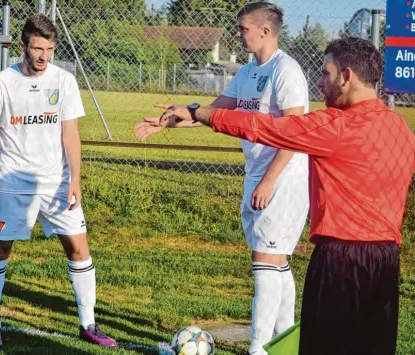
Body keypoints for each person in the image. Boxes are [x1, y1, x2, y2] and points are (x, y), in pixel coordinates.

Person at [153, 37, 415, 355]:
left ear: (346, 76)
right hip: (386, 263)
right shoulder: (401, 130)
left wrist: (199, 113)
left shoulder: (336, 126)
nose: (319, 82)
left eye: (325, 73)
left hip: (341, 261)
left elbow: (267, 128)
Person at [135, 2, 309, 354]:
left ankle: (258, 348)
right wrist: (168, 122)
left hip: (284, 176)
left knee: (265, 258)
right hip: (259, 173)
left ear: (265, 31)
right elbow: (214, 112)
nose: (238, 33)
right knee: (277, 258)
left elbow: (296, 133)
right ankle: (287, 340)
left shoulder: (286, 71)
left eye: (243, 28)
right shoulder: (247, 72)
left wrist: (269, 181)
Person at [0, 14, 117, 348]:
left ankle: (88, 323)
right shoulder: (2, 82)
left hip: (56, 183)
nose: (43, 56)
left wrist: (75, 179)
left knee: (78, 247)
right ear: (23, 45)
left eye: (49, 49)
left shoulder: (64, 81)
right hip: (11, 184)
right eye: (37, 48)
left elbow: (71, 133)